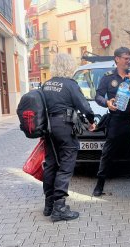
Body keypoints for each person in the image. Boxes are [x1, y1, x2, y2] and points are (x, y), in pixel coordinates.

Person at [42, 53, 96, 221]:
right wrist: (91, 121)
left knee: (51, 164)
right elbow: (85, 107)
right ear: (69, 66)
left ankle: (49, 204)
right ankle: (59, 207)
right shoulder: (70, 85)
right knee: (66, 165)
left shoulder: (46, 84)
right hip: (64, 127)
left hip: (48, 128)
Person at [93, 47, 130, 196]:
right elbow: (98, 96)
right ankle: (100, 184)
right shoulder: (107, 78)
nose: (129, 61)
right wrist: (107, 103)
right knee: (107, 153)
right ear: (117, 59)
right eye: (126, 58)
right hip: (116, 120)